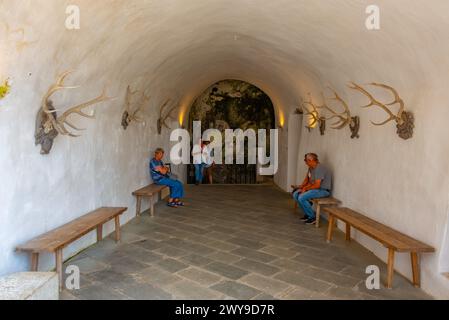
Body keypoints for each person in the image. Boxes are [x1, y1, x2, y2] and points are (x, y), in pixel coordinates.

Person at [292, 153, 332, 225]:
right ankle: (308, 213)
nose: (305, 162)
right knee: (296, 194)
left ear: (311, 160)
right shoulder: (311, 168)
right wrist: (301, 187)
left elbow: (317, 185)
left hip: (323, 190)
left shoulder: (320, 168)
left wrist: (306, 189)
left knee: (301, 197)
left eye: (305, 160)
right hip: (315, 189)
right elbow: (307, 179)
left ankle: (313, 218)